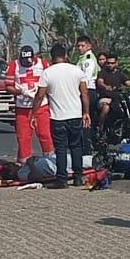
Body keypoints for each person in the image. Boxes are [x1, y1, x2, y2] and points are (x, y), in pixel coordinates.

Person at [32, 43, 91, 189]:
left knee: (61, 149)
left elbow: (39, 96)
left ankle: (62, 179)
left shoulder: (47, 73)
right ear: (65, 55)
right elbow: (84, 94)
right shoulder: (76, 71)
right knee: (76, 146)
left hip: (57, 117)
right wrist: (86, 112)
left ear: (51, 57)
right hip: (75, 115)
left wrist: (33, 114)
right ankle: (78, 177)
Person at [5, 45, 55, 162]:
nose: (27, 64)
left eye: (30, 61)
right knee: (23, 137)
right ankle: (24, 163)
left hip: (41, 105)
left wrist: (42, 91)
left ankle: (50, 160)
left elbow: (51, 81)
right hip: (23, 107)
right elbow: (8, 86)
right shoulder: (14, 65)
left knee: (45, 134)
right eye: (24, 61)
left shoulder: (43, 64)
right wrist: (21, 91)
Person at [95, 53, 130, 128]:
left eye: (112, 63)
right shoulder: (103, 72)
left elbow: (128, 83)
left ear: (116, 63)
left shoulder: (119, 74)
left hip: (117, 98)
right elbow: (100, 81)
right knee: (106, 108)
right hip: (105, 97)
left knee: (128, 105)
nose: (110, 65)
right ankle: (100, 128)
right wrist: (105, 86)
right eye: (108, 63)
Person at [76, 36, 100, 158]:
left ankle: (86, 149)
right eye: (78, 46)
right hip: (83, 91)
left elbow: (85, 78)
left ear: (89, 46)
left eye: (82, 45)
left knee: (85, 120)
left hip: (87, 91)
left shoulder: (89, 60)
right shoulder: (82, 58)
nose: (80, 48)